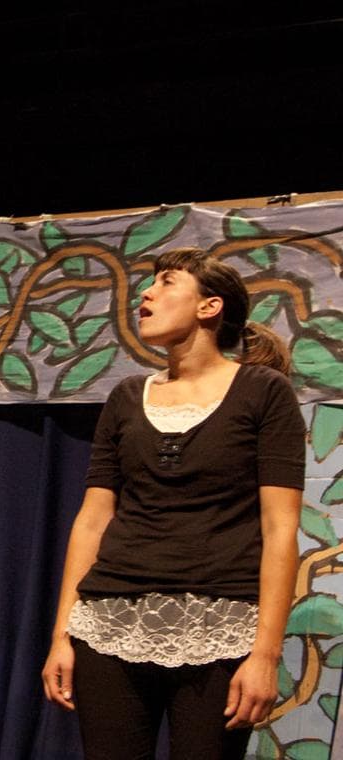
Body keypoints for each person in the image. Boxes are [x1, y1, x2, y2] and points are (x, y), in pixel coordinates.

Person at [41, 247, 305, 759]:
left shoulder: (263, 392)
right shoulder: (126, 395)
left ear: (210, 307)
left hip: (220, 627)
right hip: (109, 622)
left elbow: (280, 528)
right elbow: (93, 521)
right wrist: (62, 636)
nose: (146, 293)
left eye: (165, 282)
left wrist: (266, 654)